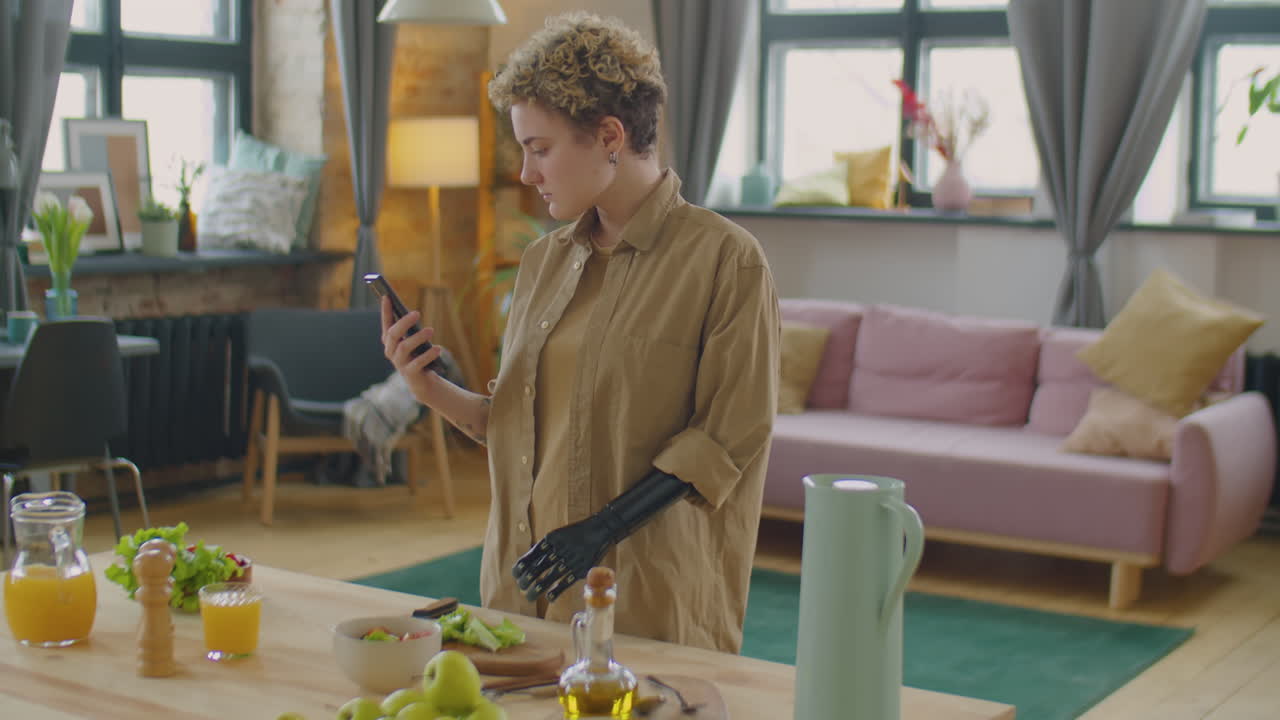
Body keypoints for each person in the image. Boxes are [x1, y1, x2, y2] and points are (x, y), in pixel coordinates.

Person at [380, 11, 779, 654]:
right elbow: (521, 427)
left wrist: (600, 530)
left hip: (648, 603)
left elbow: (724, 443)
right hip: (522, 593)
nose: (526, 174)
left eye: (539, 149)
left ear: (610, 136)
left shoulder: (727, 262)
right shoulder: (544, 263)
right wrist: (428, 389)